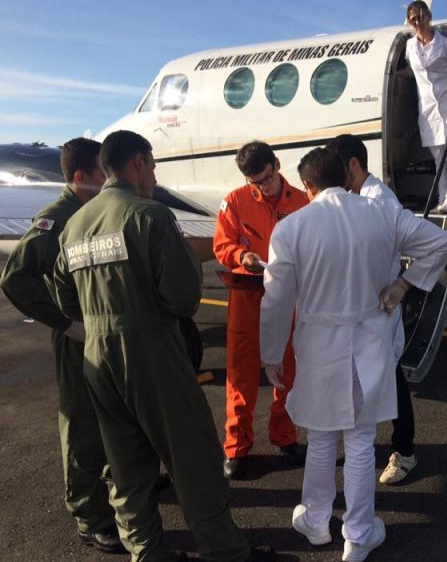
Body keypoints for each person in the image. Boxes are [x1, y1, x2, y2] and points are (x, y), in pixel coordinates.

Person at [52, 130, 275, 562]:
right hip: (151, 350)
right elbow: (184, 298)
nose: (154, 175)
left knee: (125, 464)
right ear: (136, 162)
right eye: (152, 165)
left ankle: (147, 552)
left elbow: (64, 299)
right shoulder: (149, 216)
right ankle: (225, 552)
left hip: (97, 355)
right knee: (192, 455)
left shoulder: (73, 225)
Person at [260, 147, 447, 562]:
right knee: (362, 440)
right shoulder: (382, 213)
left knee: (320, 436)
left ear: (308, 186)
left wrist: (271, 353)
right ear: (344, 176)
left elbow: (276, 300)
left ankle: (315, 522)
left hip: (319, 348)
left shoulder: (292, 228)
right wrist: (404, 285)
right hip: (369, 343)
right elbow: (442, 243)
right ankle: (359, 534)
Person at [0, 138, 124, 553]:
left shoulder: (95, 210)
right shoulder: (54, 219)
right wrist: (64, 323)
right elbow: (15, 278)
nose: (109, 180)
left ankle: (115, 478)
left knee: (112, 409)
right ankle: (90, 516)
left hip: (104, 332)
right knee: (81, 424)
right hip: (78, 337)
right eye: (102, 173)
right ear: (80, 177)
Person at [326, 134, 418, 485]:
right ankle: (378, 445)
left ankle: (405, 452)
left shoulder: (380, 202)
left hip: (382, 308)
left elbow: (426, 246)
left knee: (391, 380)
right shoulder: (361, 198)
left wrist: (402, 285)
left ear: (353, 164)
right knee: (374, 380)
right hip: (368, 309)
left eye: (339, 170)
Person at [213, 140, 308, 479]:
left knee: (287, 368)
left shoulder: (302, 201)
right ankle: (236, 447)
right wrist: (242, 257)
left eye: (266, 179)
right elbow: (222, 245)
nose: (262, 188)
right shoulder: (235, 201)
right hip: (247, 293)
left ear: (277, 165)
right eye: (255, 183)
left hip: (286, 296)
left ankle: (285, 437)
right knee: (240, 373)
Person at [404, 0, 447, 214]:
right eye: (413, 20)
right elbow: (411, 72)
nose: (417, 23)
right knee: (438, 156)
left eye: (420, 17)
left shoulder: (445, 44)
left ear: (429, 17)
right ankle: (442, 199)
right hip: (428, 108)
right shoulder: (410, 46)